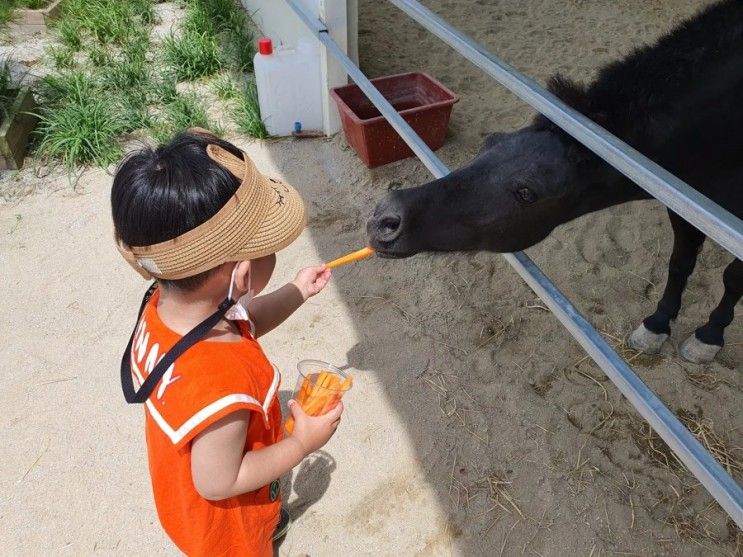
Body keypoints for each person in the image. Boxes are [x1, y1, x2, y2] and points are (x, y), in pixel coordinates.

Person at [111, 129, 344, 556]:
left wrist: (296, 290)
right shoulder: (223, 382)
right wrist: (301, 444)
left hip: (181, 496)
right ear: (240, 277)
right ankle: (260, 530)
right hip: (226, 535)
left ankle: (269, 518)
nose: (274, 255)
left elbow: (243, 321)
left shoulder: (167, 308)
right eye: (268, 248)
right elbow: (219, 481)